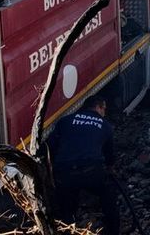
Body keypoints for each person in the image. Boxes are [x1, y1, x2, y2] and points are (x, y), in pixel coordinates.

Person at [48, 94, 118, 235]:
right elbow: (109, 155)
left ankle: (68, 227)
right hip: (91, 170)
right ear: (98, 107)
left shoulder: (65, 120)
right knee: (108, 197)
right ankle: (113, 230)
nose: (104, 113)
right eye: (104, 109)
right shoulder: (105, 125)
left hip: (65, 171)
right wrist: (111, 170)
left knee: (67, 206)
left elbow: (51, 145)